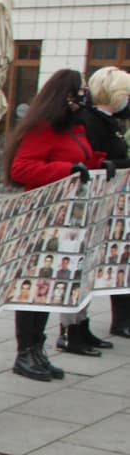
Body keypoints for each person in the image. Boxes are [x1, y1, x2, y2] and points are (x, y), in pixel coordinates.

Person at [6, 69, 107, 380]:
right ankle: (26, 351)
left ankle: (38, 348)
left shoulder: (73, 127)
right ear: (66, 93)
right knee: (34, 285)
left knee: (49, 285)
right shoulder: (43, 127)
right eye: (81, 90)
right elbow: (22, 167)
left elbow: (77, 160)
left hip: (66, 217)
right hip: (43, 216)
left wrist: (98, 164)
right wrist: (68, 169)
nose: (84, 96)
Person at [83, 67, 130, 339]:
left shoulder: (113, 123)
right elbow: (97, 161)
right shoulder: (93, 121)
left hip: (116, 201)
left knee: (119, 261)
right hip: (101, 201)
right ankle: (77, 326)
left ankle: (121, 318)